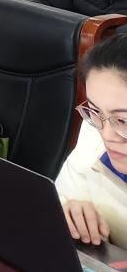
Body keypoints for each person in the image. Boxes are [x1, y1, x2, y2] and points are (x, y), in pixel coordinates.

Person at [56, 35, 127, 246]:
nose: (106, 135)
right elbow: (60, 202)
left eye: (123, 120)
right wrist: (70, 212)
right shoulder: (92, 133)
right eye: (95, 111)